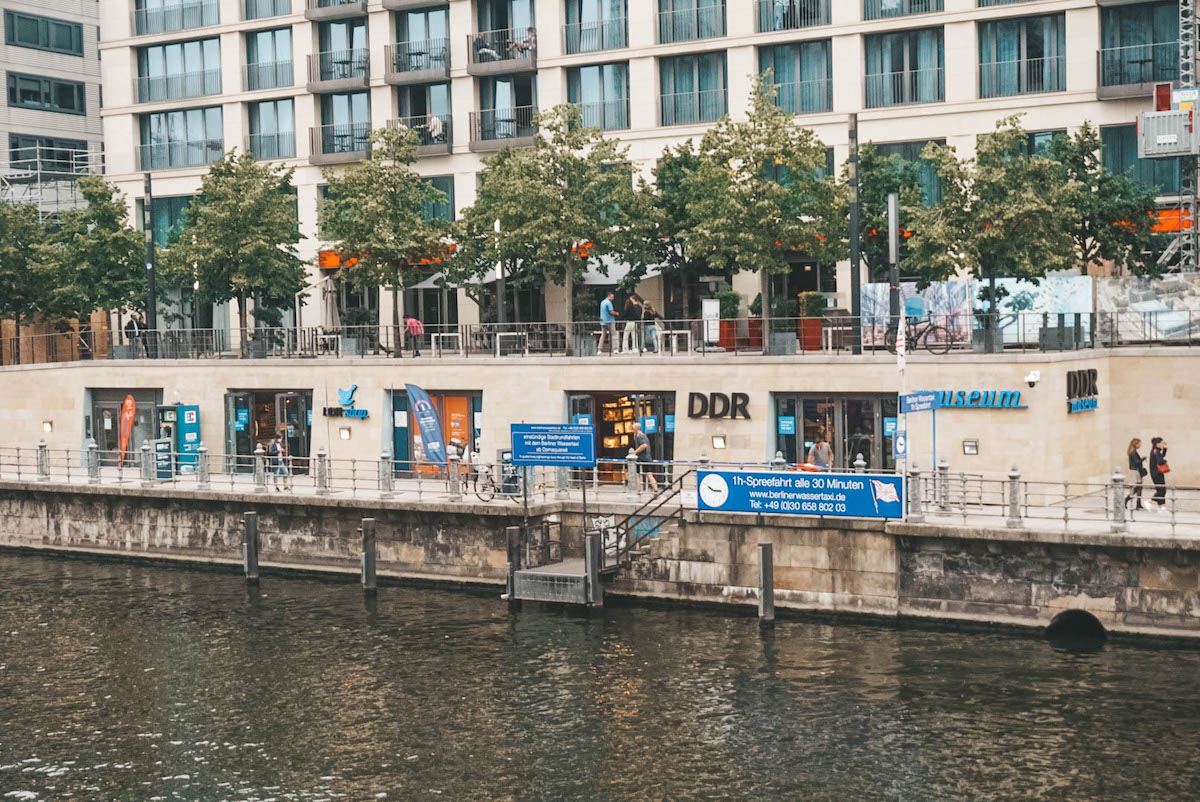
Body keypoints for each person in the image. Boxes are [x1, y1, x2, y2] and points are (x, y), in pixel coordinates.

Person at [631, 421, 658, 492]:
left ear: (636, 429)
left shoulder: (639, 436)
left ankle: (638, 490)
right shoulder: (644, 435)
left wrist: (635, 452)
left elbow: (644, 445)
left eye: (633, 429)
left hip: (642, 458)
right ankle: (656, 490)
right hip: (647, 457)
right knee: (649, 474)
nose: (632, 430)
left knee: (637, 474)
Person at [1126, 437, 1147, 511]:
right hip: (1135, 471)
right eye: (1139, 444)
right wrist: (1143, 459)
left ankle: (1138, 503)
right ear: (1136, 444)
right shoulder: (1133, 453)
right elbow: (1136, 462)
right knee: (1137, 488)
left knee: (1140, 487)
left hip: (1137, 471)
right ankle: (1126, 500)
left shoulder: (1134, 451)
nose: (1140, 445)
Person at [1149, 436, 1170, 511]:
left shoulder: (1156, 450)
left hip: (1156, 472)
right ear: (1158, 443)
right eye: (1162, 443)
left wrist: (1165, 449)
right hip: (1156, 473)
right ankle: (1150, 501)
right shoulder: (1156, 451)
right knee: (1162, 489)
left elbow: (1161, 456)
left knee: (1160, 489)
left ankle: (1160, 506)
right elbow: (1160, 461)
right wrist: (1165, 461)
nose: (1163, 444)